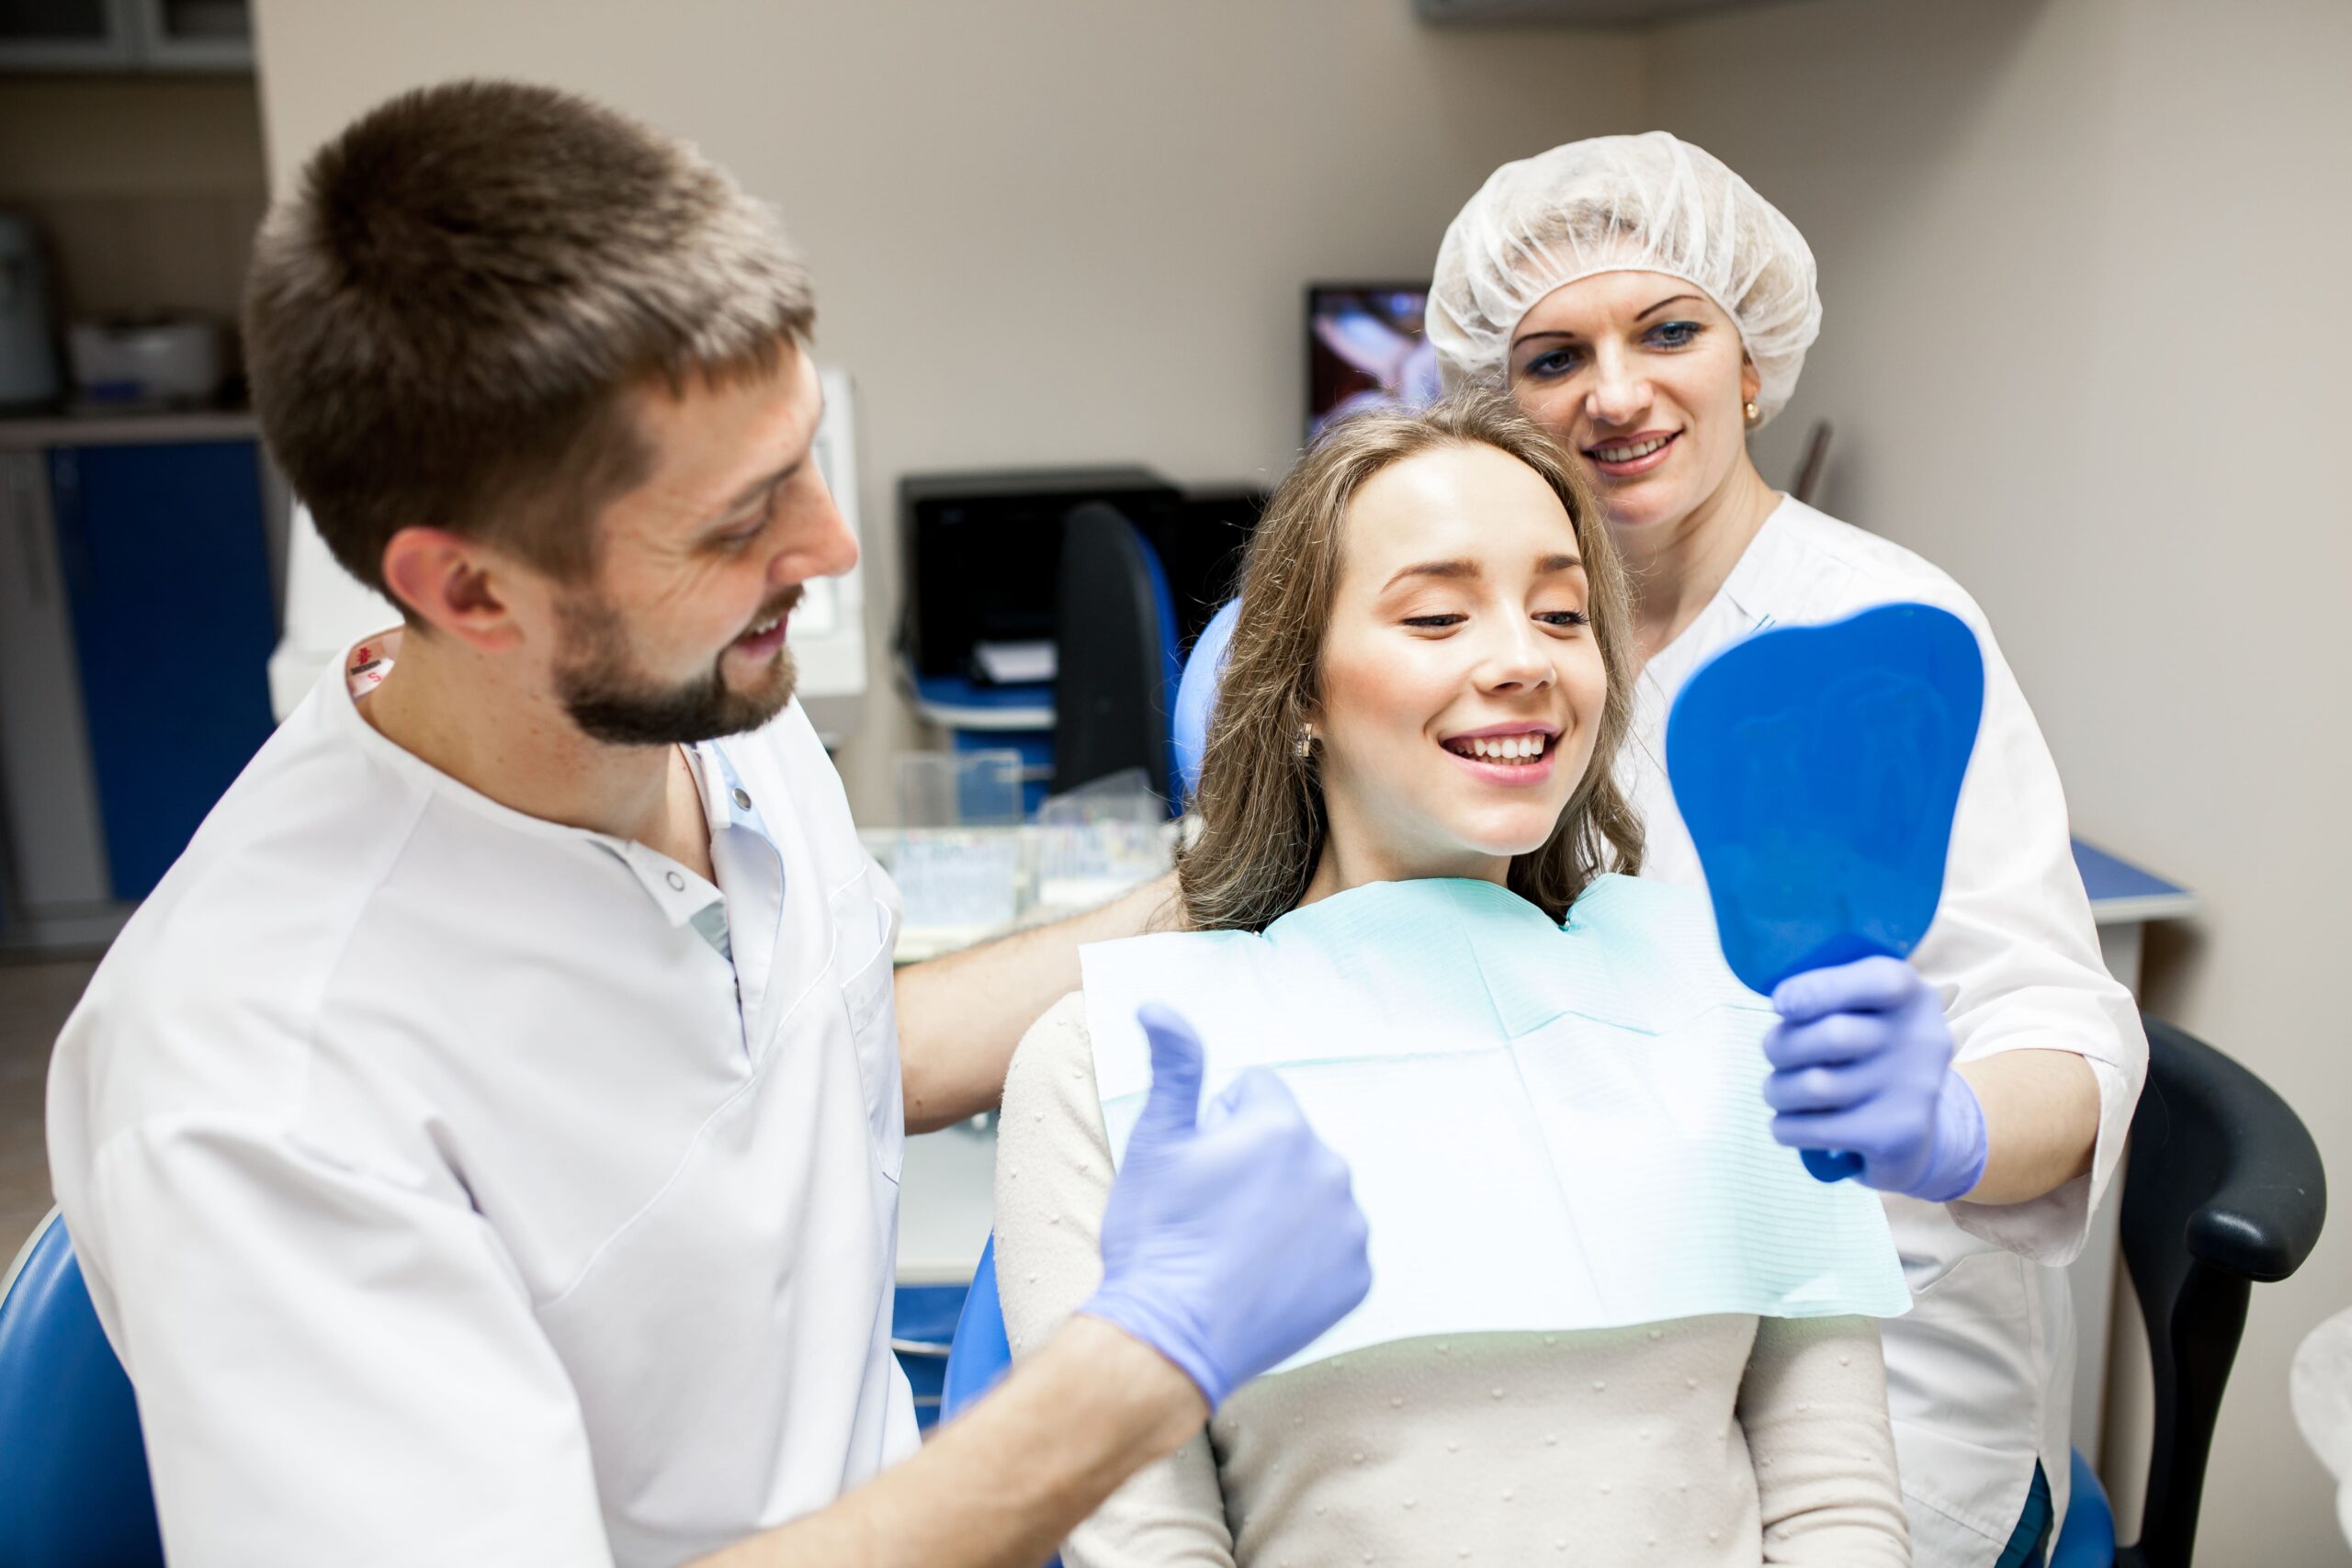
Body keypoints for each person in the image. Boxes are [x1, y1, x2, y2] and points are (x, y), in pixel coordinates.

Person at [43, 80, 1370, 1568]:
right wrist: (1145, 1365)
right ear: (468, 590)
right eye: (742, 520)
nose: (830, 542)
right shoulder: (266, 1079)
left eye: (805, 448)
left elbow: (836, 1050)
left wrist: (1237, 879)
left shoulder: (708, 710)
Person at [996, 392, 1912, 1566]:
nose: (1522, 660)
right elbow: (1150, 1548)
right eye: (1435, 617)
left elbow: (1835, 1510)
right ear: (1299, 698)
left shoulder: (1738, 1007)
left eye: (1562, 614)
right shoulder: (1106, 1067)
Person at [1424, 130, 2147, 1566]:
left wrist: (1946, 1123)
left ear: (1751, 360)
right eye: (1554, 355)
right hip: (1609, 1327)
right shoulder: (1512, 646)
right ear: (1500, 405)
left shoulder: (1881, 639)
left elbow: (2061, 1026)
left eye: (1669, 330)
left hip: (1882, 1362)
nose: (1617, 391)